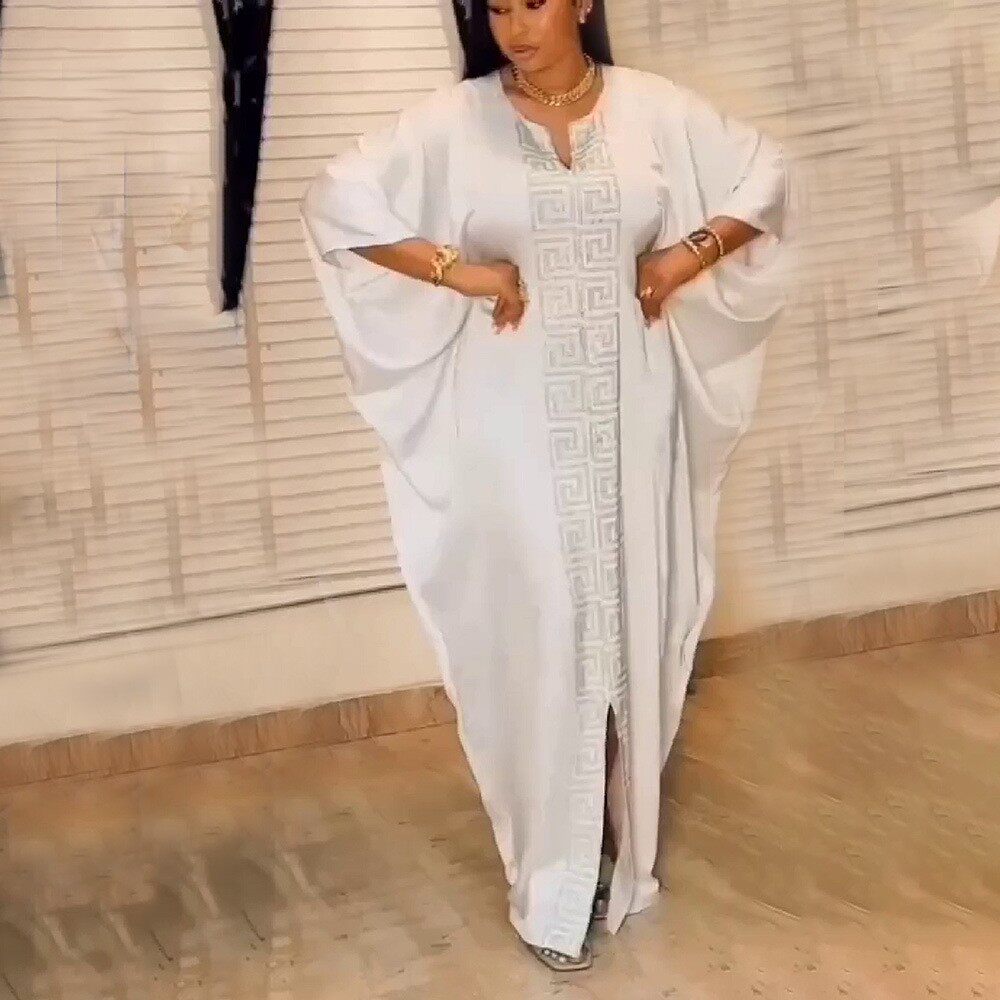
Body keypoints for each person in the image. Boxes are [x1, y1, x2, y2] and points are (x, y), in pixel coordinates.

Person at [300, 0, 798, 973]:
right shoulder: (455, 123)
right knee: (547, 633)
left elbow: (768, 174)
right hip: (512, 426)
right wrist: (460, 272)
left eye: (533, 2)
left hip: (631, 415)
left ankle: (612, 854)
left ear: (583, 3)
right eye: (496, 7)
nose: (515, 27)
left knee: (628, 629)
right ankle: (551, 884)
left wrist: (683, 256)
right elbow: (336, 203)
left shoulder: (652, 110)